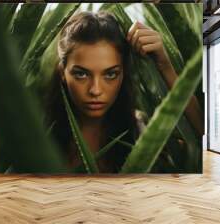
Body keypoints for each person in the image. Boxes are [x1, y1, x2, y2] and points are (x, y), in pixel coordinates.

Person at [44, 11, 185, 173]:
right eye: (81, 74)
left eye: (110, 74)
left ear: (123, 73)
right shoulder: (38, 137)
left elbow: (199, 139)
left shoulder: (142, 132)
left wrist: (165, 66)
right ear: (62, 72)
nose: (95, 90)